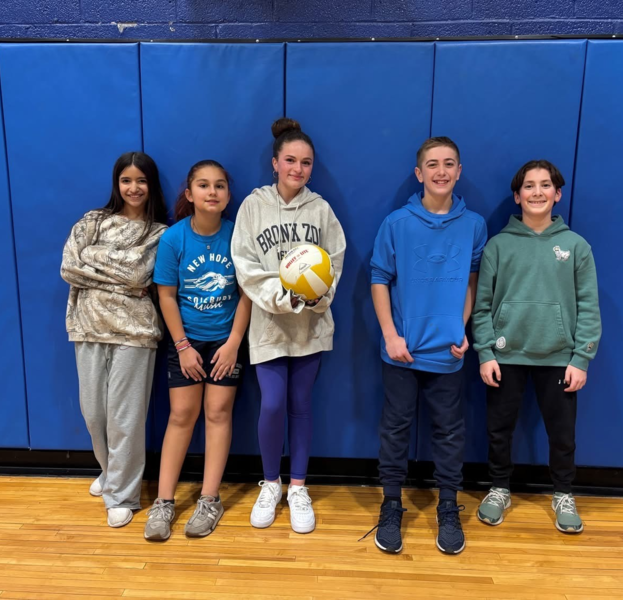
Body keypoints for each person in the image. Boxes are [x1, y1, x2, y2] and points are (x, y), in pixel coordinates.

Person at [368, 137, 486, 555]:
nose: (440, 171)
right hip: (401, 352)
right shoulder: (397, 223)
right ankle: (391, 504)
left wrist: (463, 327)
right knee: (395, 430)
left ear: (458, 170)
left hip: (447, 353)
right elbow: (379, 279)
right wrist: (390, 334)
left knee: (450, 432)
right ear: (419, 173)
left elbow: (472, 281)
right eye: (432, 164)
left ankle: (449, 508)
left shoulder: (474, 224)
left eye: (449, 164)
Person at [472, 159, 601, 534]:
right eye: (529, 186)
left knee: (562, 434)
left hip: (560, 359)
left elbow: (589, 306)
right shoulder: (498, 245)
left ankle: (563, 493)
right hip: (505, 355)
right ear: (517, 196)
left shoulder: (576, 247)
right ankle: (498, 488)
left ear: (558, 194)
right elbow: (482, 307)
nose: (537, 192)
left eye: (546, 185)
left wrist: (581, 358)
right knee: (499, 429)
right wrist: (486, 352)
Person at [231, 118, 346, 534]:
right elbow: (246, 268)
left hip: (310, 327)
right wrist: (286, 297)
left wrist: (315, 295)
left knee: (300, 405)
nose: (298, 169)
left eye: (306, 162)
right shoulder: (252, 206)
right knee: (273, 404)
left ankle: (298, 487)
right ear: (275, 162)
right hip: (269, 326)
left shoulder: (321, 210)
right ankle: (271, 483)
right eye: (291, 160)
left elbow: (333, 262)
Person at [143, 160, 251, 541]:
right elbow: (167, 296)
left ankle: (209, 500)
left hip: (225, 343)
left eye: (220, 186)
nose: (212, 192)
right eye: (203, 186)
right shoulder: (174, 239)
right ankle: (164, 502)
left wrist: (234, 343)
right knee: (181, 415)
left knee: (218, 413)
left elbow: (247, 293)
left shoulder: (238, 235)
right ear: (189, 194)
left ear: (227, 195)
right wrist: (183, 347)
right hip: (186, 342)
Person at [61, 151, 168, 528]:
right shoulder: (93, 221)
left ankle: (123, 494)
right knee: (95, 414)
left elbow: (141, 275)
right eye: (126, 180)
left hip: (136, 333)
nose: (134, 187)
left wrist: (96, 261)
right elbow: (69, 266)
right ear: (116, 183)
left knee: (125, 418)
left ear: (151, 184)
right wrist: (121, 278)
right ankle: (110, 473)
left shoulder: (159, 233)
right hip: (87, 326)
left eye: (141, 180)